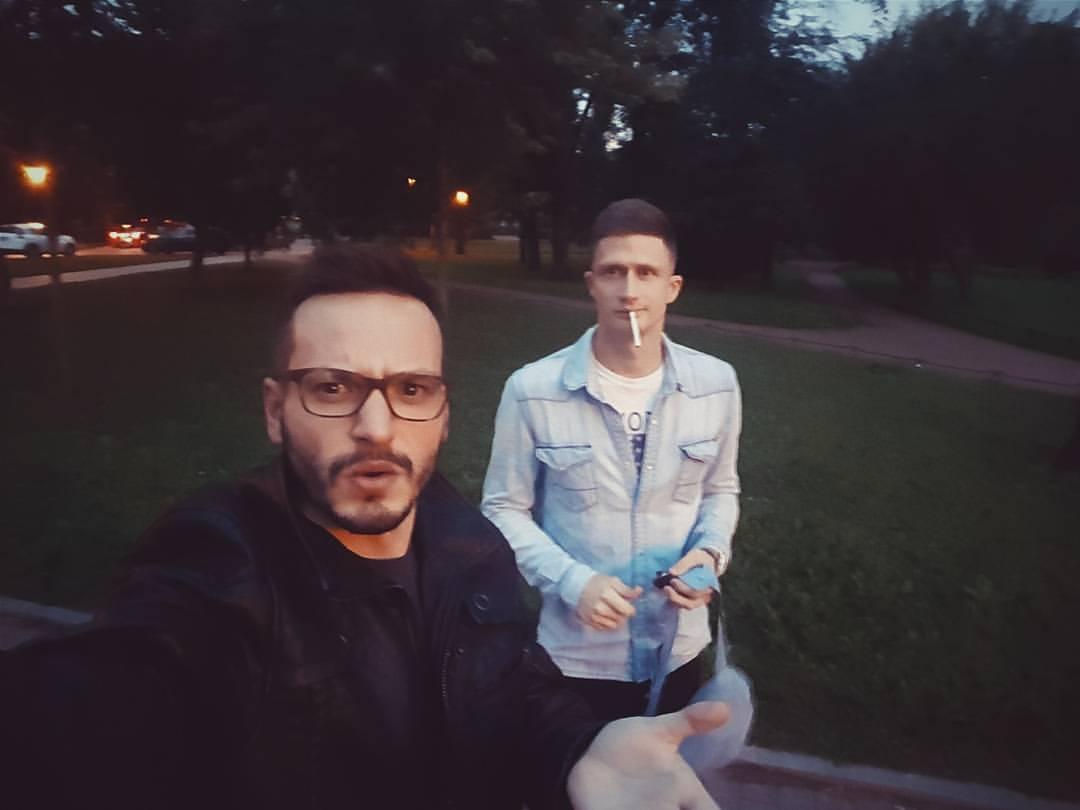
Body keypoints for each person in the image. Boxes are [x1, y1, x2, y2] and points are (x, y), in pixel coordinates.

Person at [0, 244, 727, 810]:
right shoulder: (219, 564)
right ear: (275, 411)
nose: (376, 426)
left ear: (443, 415)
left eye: (411, 388)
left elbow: (508, 682)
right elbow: (115, 692)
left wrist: (579, 750)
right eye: (332, 387)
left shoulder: (469, 544)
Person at [482, 199, 742, 722]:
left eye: (646, 273)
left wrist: (710, 553)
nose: (628, 290)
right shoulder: (533, 390)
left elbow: (721, 489)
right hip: (577, 658)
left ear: (672, 287)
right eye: (613, 272)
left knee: (664, 772)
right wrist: (572, 582)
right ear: (591, 284)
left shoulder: (717, 384)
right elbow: (503, 509)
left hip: (677, 650)